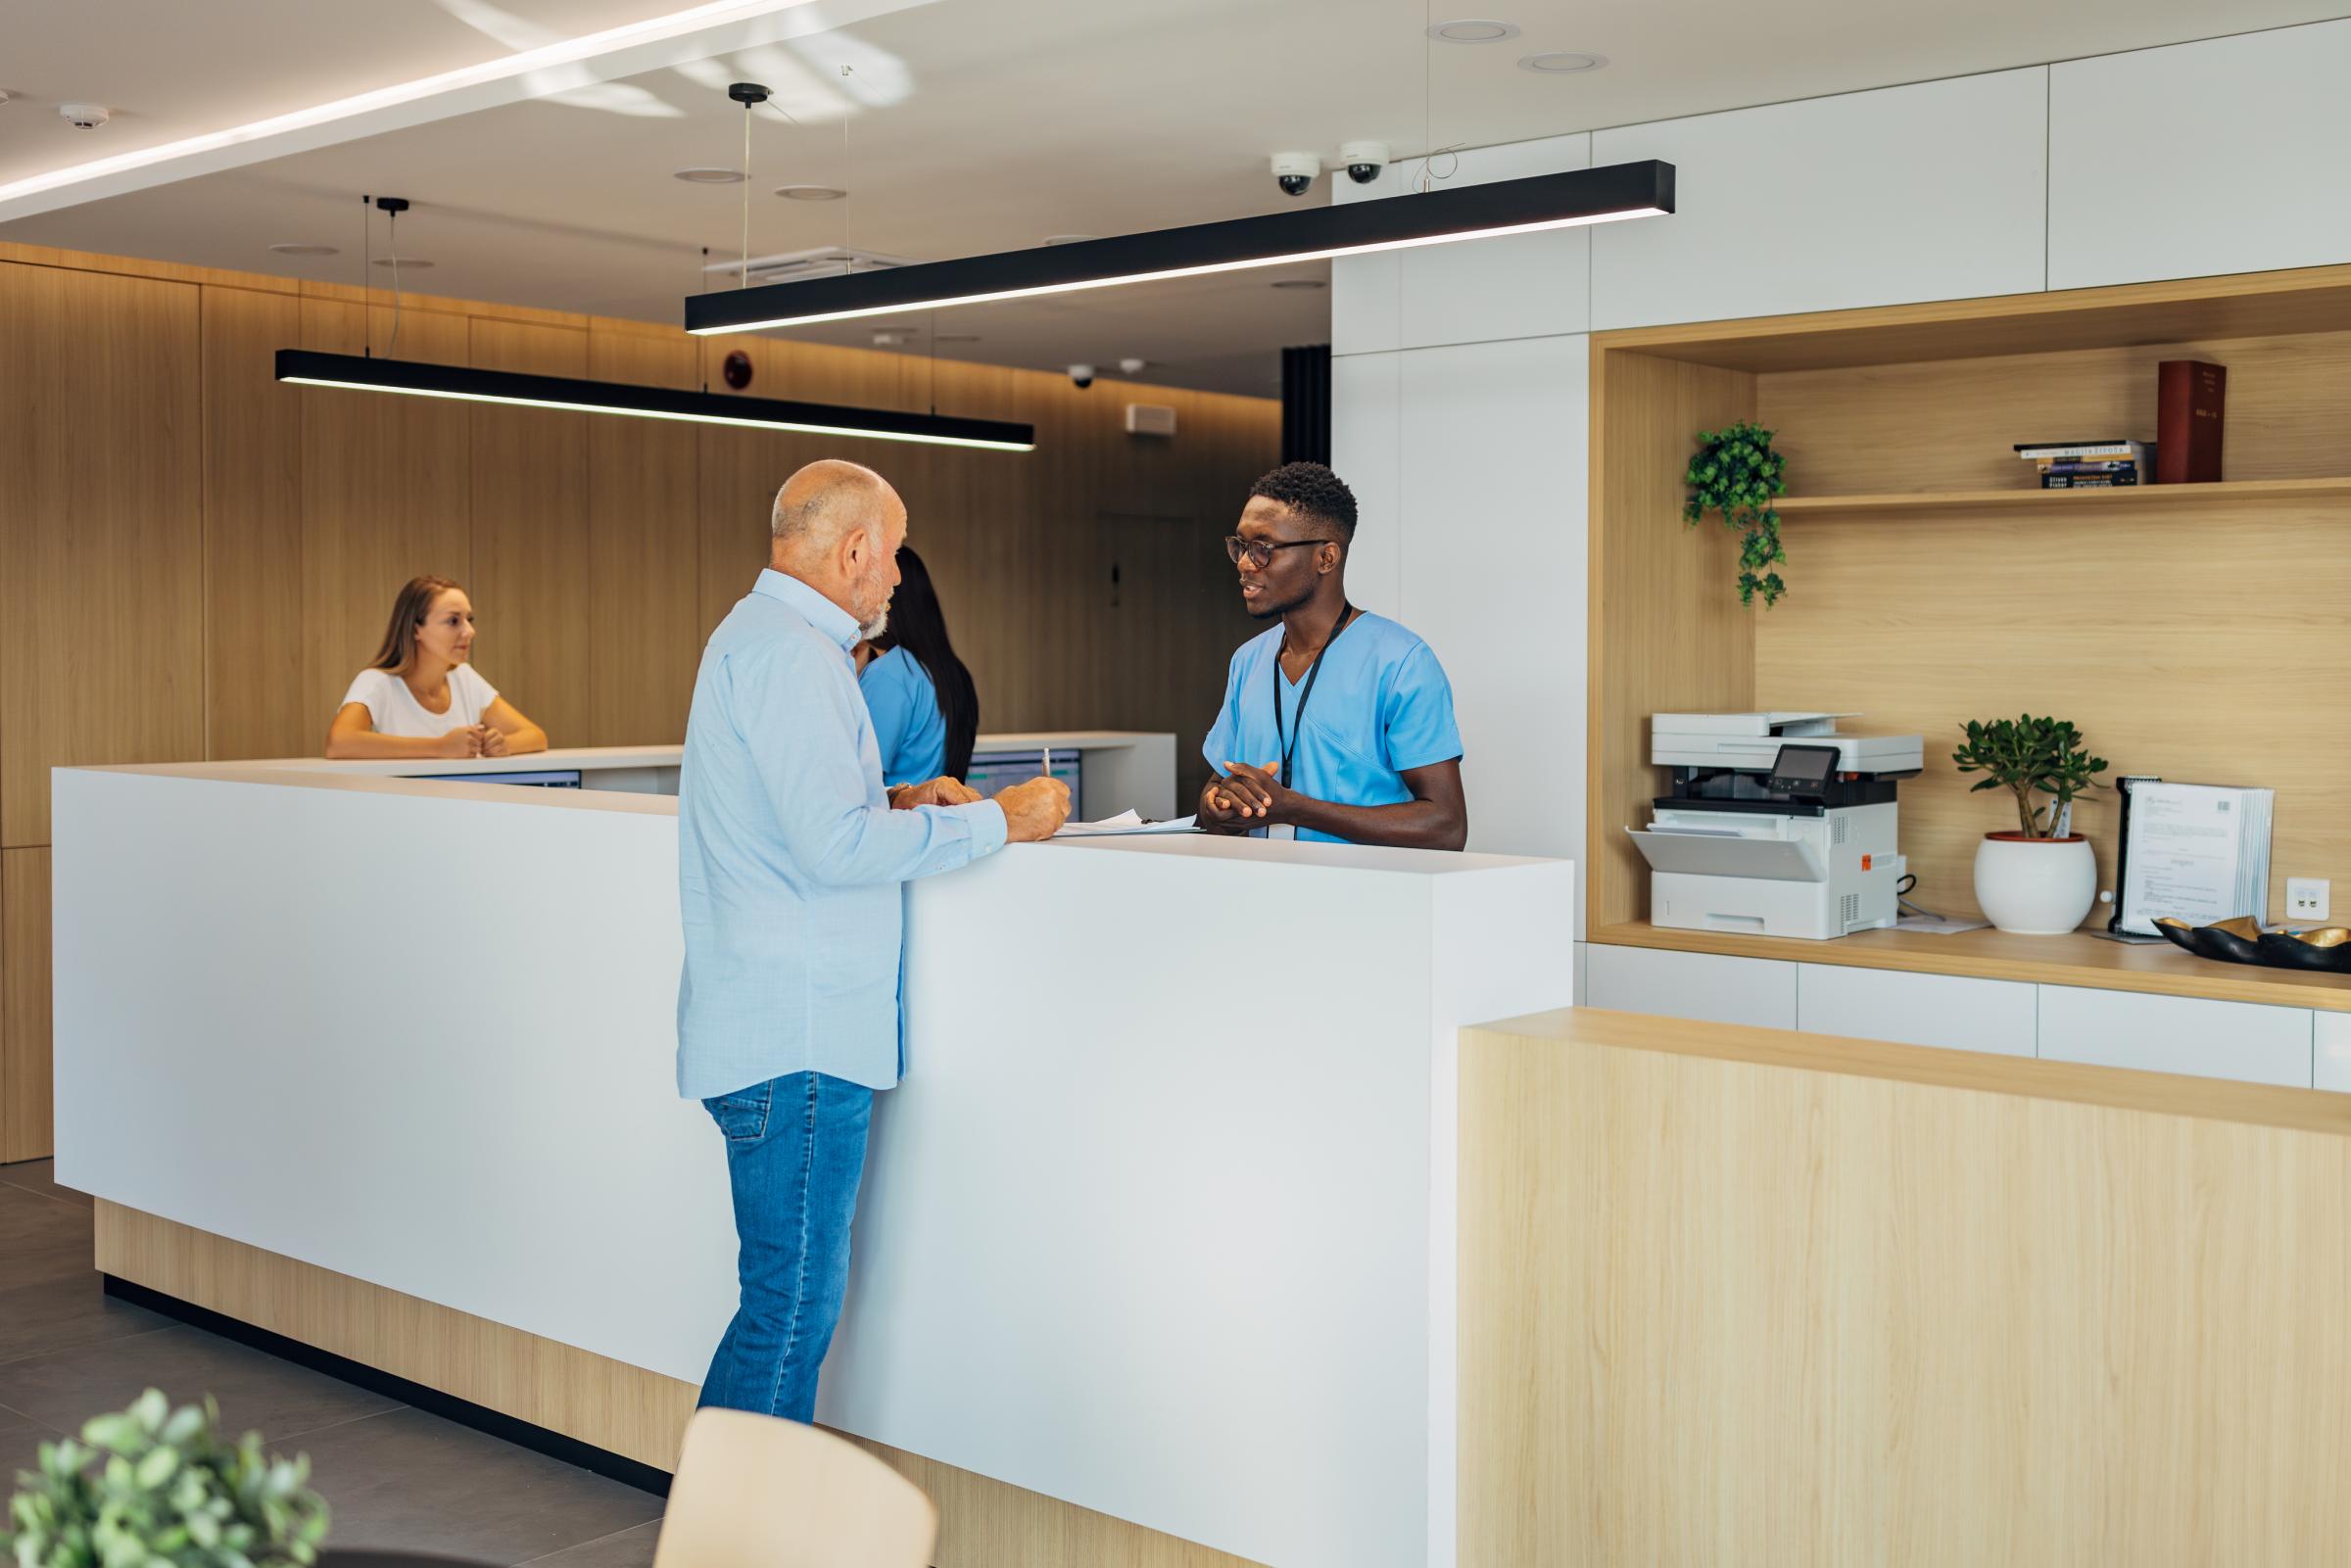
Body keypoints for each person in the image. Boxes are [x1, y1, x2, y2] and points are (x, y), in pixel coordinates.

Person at [678, 457, 1070, 1424]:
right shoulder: (796, 655)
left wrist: (897, 796)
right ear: (854, 549)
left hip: (772, 1028)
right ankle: (736, 1542)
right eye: (891, 555)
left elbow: (802, 815)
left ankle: (722, 1527)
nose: (897, 578)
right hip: (798, 1039)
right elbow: (834, 847)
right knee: (789, 1312)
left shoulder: (759, 636)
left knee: (780, 1305)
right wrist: (1000, 821)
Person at [1198, 462, 1467, 849]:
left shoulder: (1401, 662)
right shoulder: (1248, 660)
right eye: (1240, 546)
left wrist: (1295, 808)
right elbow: (1216, 788)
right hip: (1255, 895)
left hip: (1362, 899)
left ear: (1326, 558)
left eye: (1263, 549)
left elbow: (1446, 827)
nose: (1244, 563)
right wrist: (1218, 805)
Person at [325, 576, 549, 760]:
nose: (470, 631)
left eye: (469, 619)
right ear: (416, 630)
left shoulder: (464, 677)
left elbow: (535, 736)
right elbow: (339, 743)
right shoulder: (376, 681)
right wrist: (440, 747)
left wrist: (504, 744)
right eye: (453, 621)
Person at [856, 546, 980, 786]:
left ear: (886, 599)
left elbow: (858, 780)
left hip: (899, 819)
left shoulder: (889, 675)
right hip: (941, 817)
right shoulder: (952, 672)